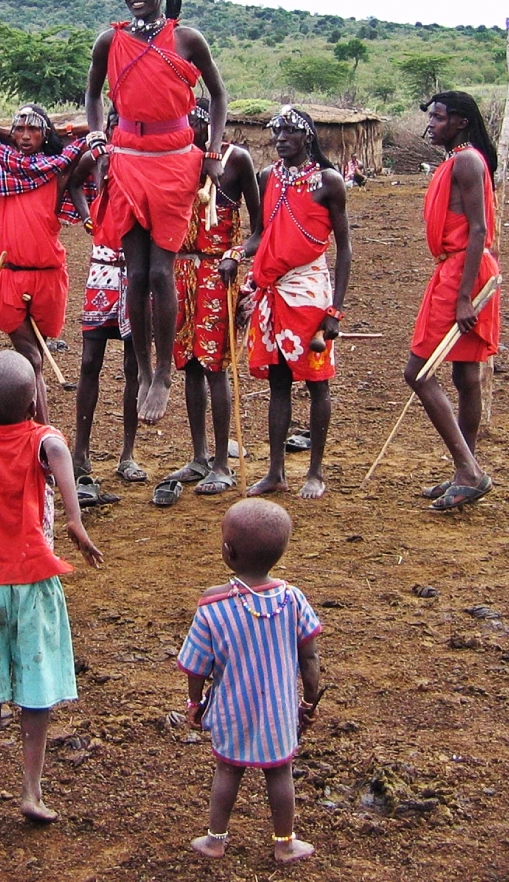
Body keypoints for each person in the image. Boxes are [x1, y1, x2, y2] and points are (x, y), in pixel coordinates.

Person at [0, 350, 102, 820]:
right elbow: (56, 449)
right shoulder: (43, 441)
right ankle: (31, 792)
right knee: (35, 694)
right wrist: (74, 518)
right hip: (33, 580)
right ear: (33, 400)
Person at [86, 0, 227, 425]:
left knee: (162, 273)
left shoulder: (186, 39)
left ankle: (164, 371)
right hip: (126, 156)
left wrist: (211, 149)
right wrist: (97, 138)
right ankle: (144, 369)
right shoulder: (110, 40)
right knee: (135, 272)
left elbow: (219, 94)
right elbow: (92, 96)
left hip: (173, 159)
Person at [178, 498, 321, 864]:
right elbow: (310, 658)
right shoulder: (293, 599)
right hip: (279, 709)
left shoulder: (212, 607)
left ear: (228, 551)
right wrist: (309, 701)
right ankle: (285, 841)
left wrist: (195, 703)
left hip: (230, 708)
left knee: (228, 768)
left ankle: (215, 839)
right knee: (280, 771)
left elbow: (197, 666)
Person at [220, 107, 351, 499]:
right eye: (277, 133)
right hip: (272, 291)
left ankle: (315, 472)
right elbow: (260, 234)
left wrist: (335, 310)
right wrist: (236, 254)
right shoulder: (267, 177)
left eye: (290, 132)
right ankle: (276, 471)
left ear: (307, 137)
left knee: (316, 383)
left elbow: (344, 250)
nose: (280, 139)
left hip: (310, 290)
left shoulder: (329, 182)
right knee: (278, 382)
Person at [404, 91, 499, 510]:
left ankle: (469, 469)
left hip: (464, 272)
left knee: (419, 372)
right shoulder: (458, 159)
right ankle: (466, 470)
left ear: (460, 122)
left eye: (440, 118)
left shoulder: (466, 160)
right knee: (464, 376)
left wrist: (464, 299)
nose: (433, 124)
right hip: (456, 268)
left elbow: (477, 230)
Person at [0, 107, 85, 423]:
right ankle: (41, 431)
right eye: (20, 129)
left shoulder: (58, 171)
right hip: (7, 275)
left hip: (47, 277)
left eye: (34, 130)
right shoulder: (3, 171)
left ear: (45, 135)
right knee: (31, 357)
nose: (26, 136)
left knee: (35, 359)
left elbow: (102, 133)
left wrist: (59, 132)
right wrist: (2, 130)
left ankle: (30, 428)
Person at [166, 99, 260, 493]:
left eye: (196, 126)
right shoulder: (174, 159)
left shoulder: (236, 160)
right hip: (179, 273)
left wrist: (236, 255)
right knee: (187, 363)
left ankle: (222, 463)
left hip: (217, 272)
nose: (190, 134)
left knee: (215, 365)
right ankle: (198, 456)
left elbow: (259, 228)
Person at [66, 110, 144, 484]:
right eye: (114, 123)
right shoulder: (97, 157)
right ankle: (80, 453)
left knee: (134, 365)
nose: (119, 129)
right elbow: (73, 183)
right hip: (103, 265)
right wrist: (88, 218)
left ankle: (127, 454)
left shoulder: (147, 159)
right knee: (89, 360)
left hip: (138, 269)